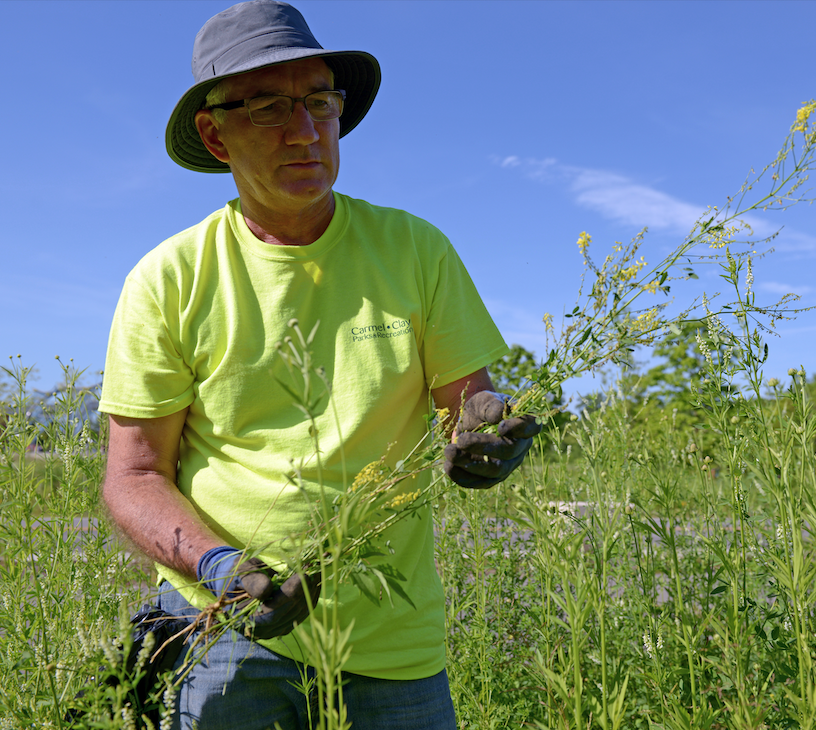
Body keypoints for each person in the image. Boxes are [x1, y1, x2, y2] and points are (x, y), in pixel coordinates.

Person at [98, 2, 539, 728]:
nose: (305, 132)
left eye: (319, 103)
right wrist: (223, 571)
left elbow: (469, 409)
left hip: (393, 645)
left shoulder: (416, 250)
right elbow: (134, 474)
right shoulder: (168, 278)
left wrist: (483, 438)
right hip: (228, 638)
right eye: (269, 107)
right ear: (215, 134)